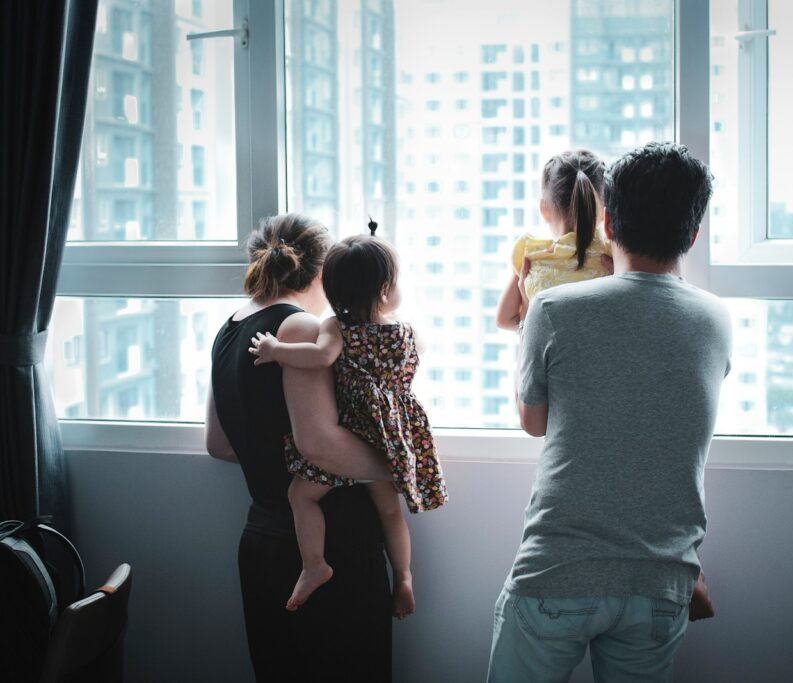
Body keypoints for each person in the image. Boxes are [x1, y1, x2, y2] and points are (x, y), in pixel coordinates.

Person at [487, 142, 732, 683]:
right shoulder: (716, 320)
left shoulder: (553, 309)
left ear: (608, 223)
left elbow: (534, 423)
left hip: (559, 569)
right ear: (692, 235)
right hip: (662, 583)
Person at [205, 214, 394, 682]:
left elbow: (220, 445)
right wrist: (399, 466)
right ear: (322, 271)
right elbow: (319, 445)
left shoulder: (229, 329)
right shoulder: (301, 328)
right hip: (327, 547)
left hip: (262, 542)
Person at [249, 233, 448, 615]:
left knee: (300, 496)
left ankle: (314, 564)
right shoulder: (405, 331)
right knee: (389, 512)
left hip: (352, 436)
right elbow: (419, 352)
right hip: (389, 437)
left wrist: (277, 350)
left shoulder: (336, 327)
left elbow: (320, 357)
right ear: (385, 290)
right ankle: (403, 576)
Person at [495, 149, 611, 332]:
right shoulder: (610, 252)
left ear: (544, 209)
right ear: (604, 212)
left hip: (543, 349)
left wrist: (528, 308)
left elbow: (505, 319)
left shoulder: (531, 254)